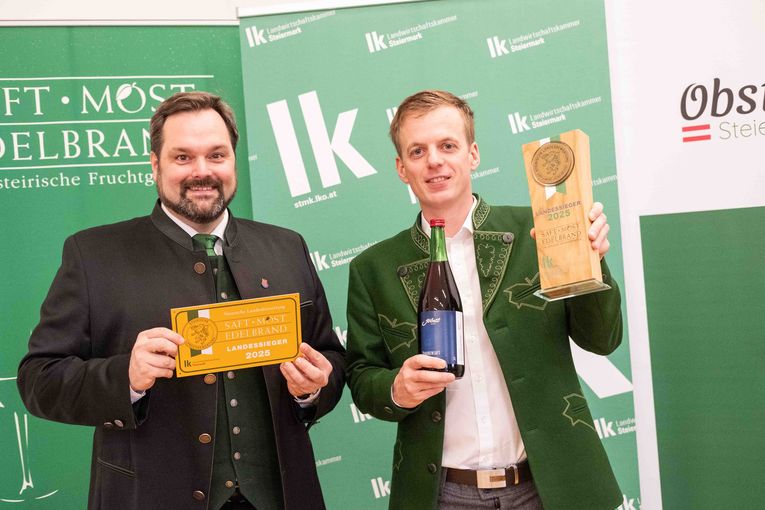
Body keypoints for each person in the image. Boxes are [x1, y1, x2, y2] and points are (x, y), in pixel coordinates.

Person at [17, 91, 345, 510]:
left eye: (216, 155)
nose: (202, 172)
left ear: (233, 161)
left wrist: (312, 389)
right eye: (183, 157)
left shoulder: (287, 247)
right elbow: (38, 380)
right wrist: (126, 377)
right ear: (156, 165)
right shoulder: (93, 254)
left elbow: (332, 358)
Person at [345, 90, 623, 510]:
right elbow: (363, 377)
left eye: (448, 146)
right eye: (417, 151)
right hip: (442, 495)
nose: (434, 160)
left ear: (473, 154)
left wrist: (592, 264)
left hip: (551, 487)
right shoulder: (373, 268)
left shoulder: (540, 229)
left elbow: (602, 340)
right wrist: (397, 388)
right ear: (402, 168)